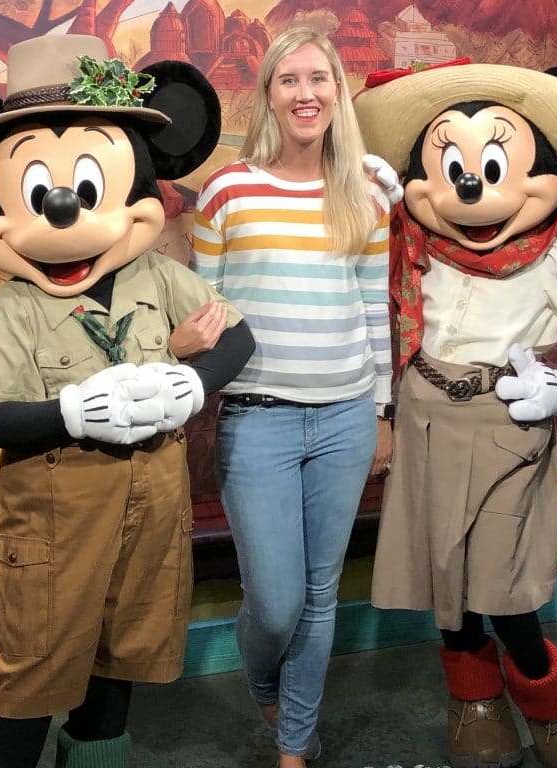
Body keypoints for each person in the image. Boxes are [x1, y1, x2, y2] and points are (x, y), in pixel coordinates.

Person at [0, 34, 254, 768]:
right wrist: (69, 413)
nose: (65, 207)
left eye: (90, 184)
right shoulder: (14, 307)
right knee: (34, 668)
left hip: (151, 510)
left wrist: (194, 382)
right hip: (56, 520)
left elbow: (239, 338)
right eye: (40, 190)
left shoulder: (157, 279)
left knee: (122, 653)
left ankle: (98, 757)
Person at [354, 62, 557, 768]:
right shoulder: (415, 243)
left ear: (546, 173)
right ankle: (475, 704)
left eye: (493, 162)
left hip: (509, 421)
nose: (470, 185)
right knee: (444, 576)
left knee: (502, 583)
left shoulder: (556, 254)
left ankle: (551, 699)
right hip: (425, 413)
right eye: (451, 165)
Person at [190, 26, 395, 768]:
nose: (305, 93)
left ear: (338, 92)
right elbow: (203, 308)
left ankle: (295, 745)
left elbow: (375, 308)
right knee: (274, 602)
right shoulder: (228, 189)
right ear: (268, 95)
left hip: (344, 417)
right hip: (256, 422)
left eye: (320, 78)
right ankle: (263, 680)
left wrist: (380, 411)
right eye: (289, 80)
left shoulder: (366, 190)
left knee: (320, 594)